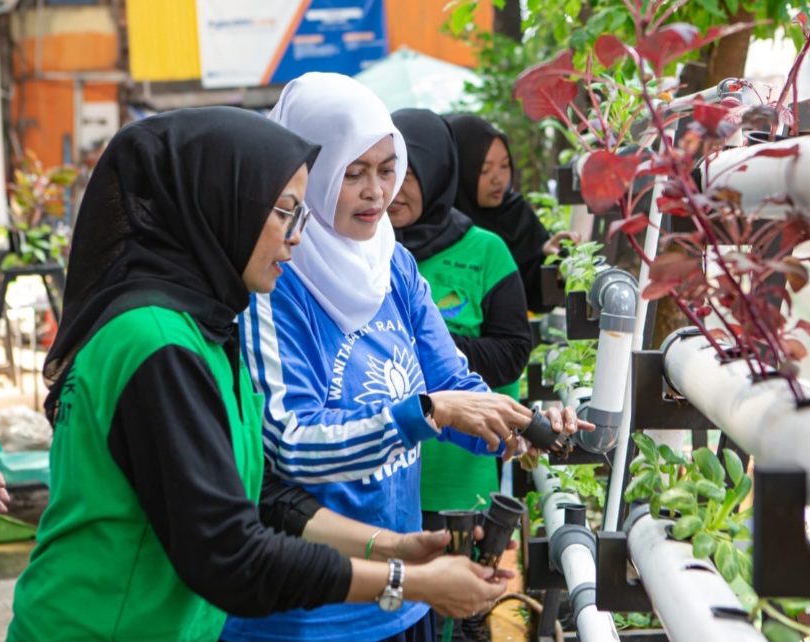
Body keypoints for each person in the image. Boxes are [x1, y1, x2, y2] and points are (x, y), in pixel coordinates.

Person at [6, 106, 507, 642]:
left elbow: (265, 496)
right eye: (286, 211)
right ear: (219, 207)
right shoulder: (155, 344)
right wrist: (407, 581)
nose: (296, 237)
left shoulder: (206, 326)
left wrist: (389, 545)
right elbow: (230, 553)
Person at [225, 73, 589, 642]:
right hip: (311, 614)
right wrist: (427, 413)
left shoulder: (390, 264)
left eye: (387, 169)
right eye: (354, 173)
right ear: (308, 173)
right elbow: (292, 444)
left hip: (405, 593)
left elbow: (454, 383)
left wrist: (520, 427)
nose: (378, 192)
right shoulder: (273, 280)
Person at [389, 107, 534, 642]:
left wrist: (423, 346)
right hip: (385, 471)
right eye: (382, 171)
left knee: (462, 613)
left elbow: (513, 351)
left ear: (437, 171)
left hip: (460, 464)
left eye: (407, 171)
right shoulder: (359, 254)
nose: (393, 188)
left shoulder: (486, 251)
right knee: (398, 605)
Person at [446, 114, 578, 313]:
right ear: (459, 169)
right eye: (484, 170)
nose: (498, 179)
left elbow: (533, 295)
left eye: (505, 165)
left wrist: (544, 255)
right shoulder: (440, 227)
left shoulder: (516, 214)